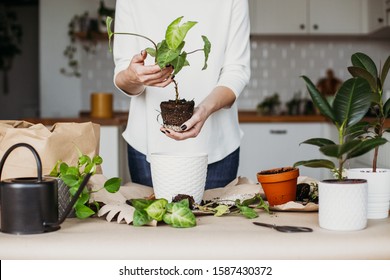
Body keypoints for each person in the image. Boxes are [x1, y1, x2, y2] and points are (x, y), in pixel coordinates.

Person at [112, 0, 251, 189]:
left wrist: (204, 109)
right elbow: (123, 74)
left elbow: (237, 71)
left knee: (214, 218)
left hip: (216, 147)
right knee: (152, 217)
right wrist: (134, 76)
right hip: (147, 147)